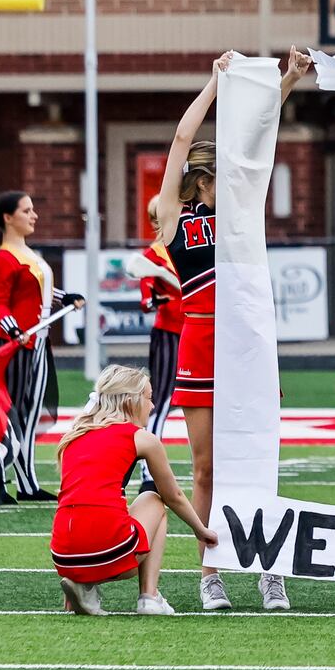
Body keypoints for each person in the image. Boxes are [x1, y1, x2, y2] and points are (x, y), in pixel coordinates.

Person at [157, 49, 310, 611]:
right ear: (202, 179)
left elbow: (258, 142)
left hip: (247, 341)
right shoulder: (172, 218)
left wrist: (288, 80)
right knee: (206, 468)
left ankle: (271, 572)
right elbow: (178, 140)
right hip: (200, 340)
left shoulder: (241, 213)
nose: (237, 176)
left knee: (259, 459)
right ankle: (211, 572)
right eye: (223, 173)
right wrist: (215, 86)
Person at [52, 364, 218, 616]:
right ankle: (149, 596)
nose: (152, 407)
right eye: (149, 398)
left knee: (92, 510)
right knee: (152, 498)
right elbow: (173, 496)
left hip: (63, 556)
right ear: (131, 401)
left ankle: (84, 585)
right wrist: (201, 530)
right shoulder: (142, 438)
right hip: (113, 554)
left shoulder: (74, 435)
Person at [0, 190, 83, 503]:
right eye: (26, 211)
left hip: (37, 343)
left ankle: (28, 484)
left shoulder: (27, 254)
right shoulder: (3, 258)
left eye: (33, 210)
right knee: (11, 414)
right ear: (8, 218)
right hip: (11, 346)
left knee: (30, 414)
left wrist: (66, 297)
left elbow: (41, 287)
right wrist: (15, 330)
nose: (34, 215)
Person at [135, 195, 182, 494]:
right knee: (161, 398)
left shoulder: (184, 248)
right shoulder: (153, 256)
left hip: (197, 330)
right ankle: (146, 467)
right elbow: (145, 297)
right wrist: (154, 298)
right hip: (169, 332)